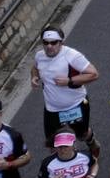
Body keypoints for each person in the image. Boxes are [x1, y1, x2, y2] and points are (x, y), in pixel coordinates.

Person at [31, 25, 101, 153]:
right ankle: (63, 166)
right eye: (45, 43)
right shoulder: (39, 56)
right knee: (53, 144)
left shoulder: (72, 56)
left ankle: (92, 143)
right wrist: (34, 77)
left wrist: (69, 81)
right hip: (52, 109)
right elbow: (35, 67)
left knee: (82, 134)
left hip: (75, 105)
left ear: (61, 42)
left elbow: (94, 74)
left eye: (53, 43)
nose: (49, 46)